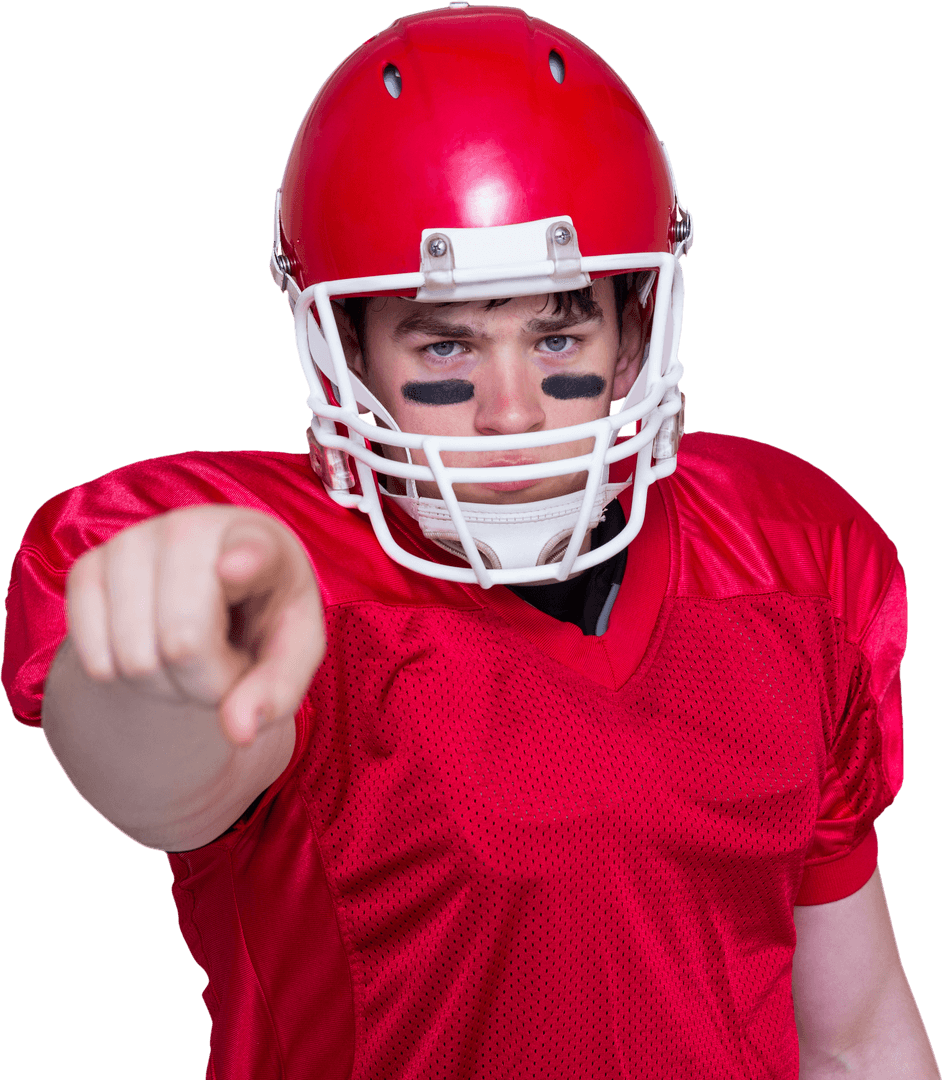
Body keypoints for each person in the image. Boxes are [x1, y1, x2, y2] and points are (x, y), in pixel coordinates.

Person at [2, 4, 939, 1078]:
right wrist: (164, 674)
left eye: (556, 333)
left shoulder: (786, 557)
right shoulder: (270, 574)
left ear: (634, 328)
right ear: (346, 347)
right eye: (445, 343)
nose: (510, 412)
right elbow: (159, 780)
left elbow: (855, 1037)